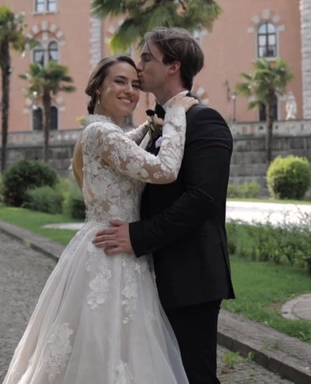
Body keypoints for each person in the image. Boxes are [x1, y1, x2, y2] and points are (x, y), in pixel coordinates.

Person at [2, 55, 197, 384]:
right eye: (119, 81)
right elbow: (164, 170)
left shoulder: (102, 131)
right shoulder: (103, 135)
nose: (130, 90)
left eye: (135, 84)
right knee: (104, 345)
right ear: (97, 87)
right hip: (109, 255)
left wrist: (149, 128)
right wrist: (177, 113)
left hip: (116, 247)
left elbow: (126, 144)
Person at [93, 27, 235, 384]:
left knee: (194, 376)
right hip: (148, 276)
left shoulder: (206, 121)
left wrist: (138, 236)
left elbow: (201, 199)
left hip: (191, 277)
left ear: (173, 66)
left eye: (146, 57)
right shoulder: (155, 125)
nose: (139, 66)